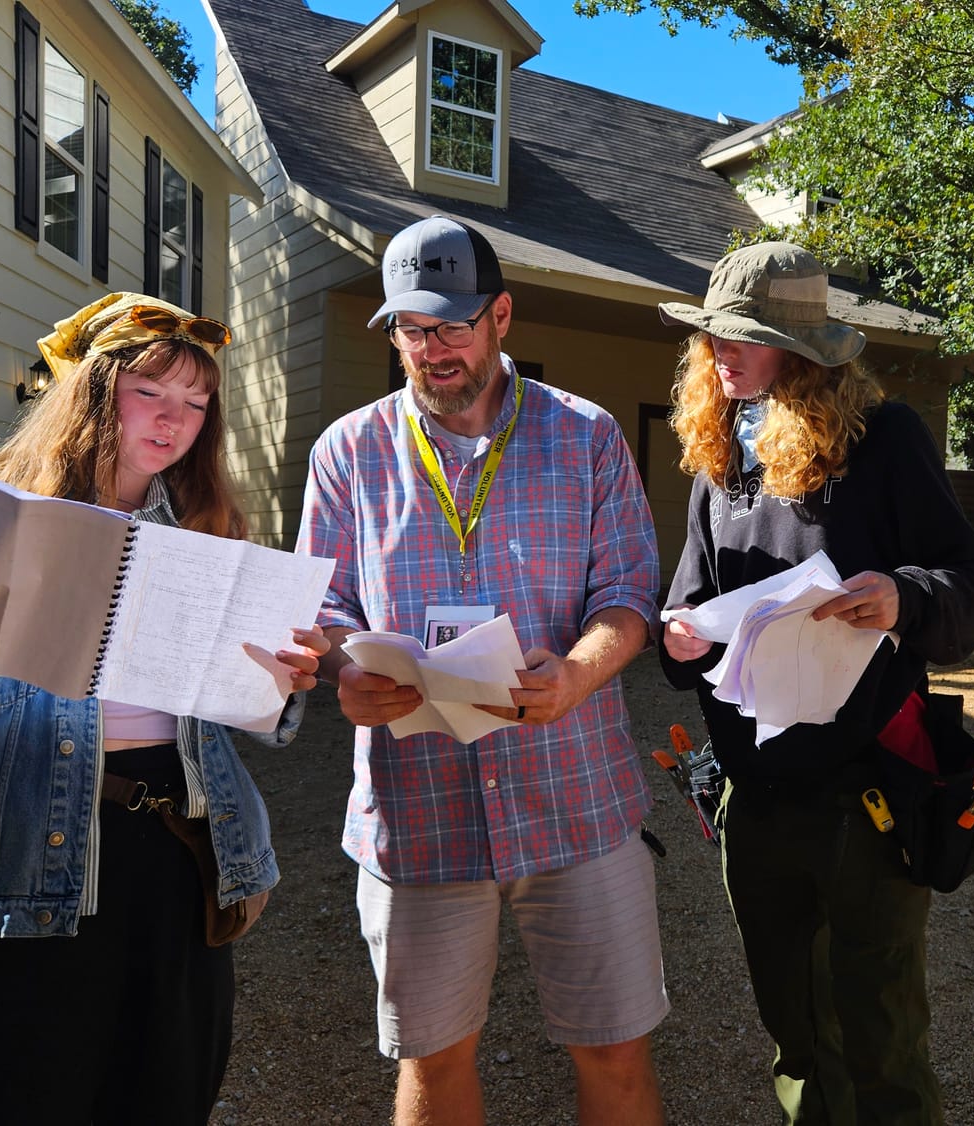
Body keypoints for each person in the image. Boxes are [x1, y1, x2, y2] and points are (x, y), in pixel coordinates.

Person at [0, 293, 330, 1124]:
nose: (175, 420)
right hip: (10, 868)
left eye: (196, 403)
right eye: (150, 393)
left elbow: (229, 712)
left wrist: (282, 680)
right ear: (89, 392)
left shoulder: (204, 529)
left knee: (162, 1099)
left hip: (177, 863)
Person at [298, 216, 667, 1126]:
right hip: (419, 811)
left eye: (452, 326)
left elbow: (628, 594)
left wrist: (577, 674)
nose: (431, 350)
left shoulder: (586, 436)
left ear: (501, 316)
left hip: (575, 797)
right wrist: (345, 671)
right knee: (431, 1061)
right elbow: (323, 604)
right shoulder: (347, 450)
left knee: (617, 1054)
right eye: (410, 330)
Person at [656, 243, 974, 1126]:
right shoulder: (720, 454)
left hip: (866, 796)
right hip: (753, 795)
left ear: (802, 351)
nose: (718, 351)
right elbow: (689, 599)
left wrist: (903, 596)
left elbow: (973, 584)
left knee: (881, 1038)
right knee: (799, 1039)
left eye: (742, 336)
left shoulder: (884, 440)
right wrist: (681, 636)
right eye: (710, 334)